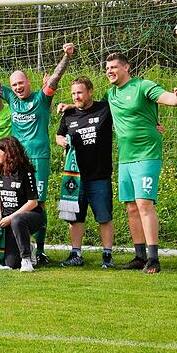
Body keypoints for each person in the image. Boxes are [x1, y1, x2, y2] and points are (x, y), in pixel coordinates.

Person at [0, 43, 75, 264]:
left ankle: (40, 250)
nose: (17, 87)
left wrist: (66, 56)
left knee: (39, 203)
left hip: (39, 158)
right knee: (13, 201)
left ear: (28, 83)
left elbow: (54, 78)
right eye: (14, 84)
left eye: (21, 83)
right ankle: (19, 247)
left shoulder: (42, 98)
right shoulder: (11, 99)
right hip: (15, 160)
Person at [104, 52, 177, 273]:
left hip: (147, 155)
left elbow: (169, 99)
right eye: (107, 69)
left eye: (114, 67)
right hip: (125, 158)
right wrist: (69, 107)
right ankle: (139, 256)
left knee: (144, 204)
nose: (110, 71)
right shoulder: (110, 94)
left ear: (126, 68)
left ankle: (153, 259)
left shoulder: (143, 86)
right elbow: (93, 109)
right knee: (131, 207)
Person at [55, 77, 115, 268]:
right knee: (75, 218)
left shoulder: (104, 108)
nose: (76, 96)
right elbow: (59, 134)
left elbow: (127, 113)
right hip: (75, 177)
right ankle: (76, 254)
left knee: (104, 217)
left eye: (79, 92)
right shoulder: (69, 115)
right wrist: (60, 141)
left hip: (99, 175)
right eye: (73, 93)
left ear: (90, 91)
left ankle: (107, 255)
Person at [0, 137, 44, 272]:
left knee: (17, 220)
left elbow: (33, 202)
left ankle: (26, 259)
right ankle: (28, 247)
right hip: (8, 218)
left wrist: (10, 218)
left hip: (30, 216)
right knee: (12, 263)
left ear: (8, 153)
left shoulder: (25, 172)